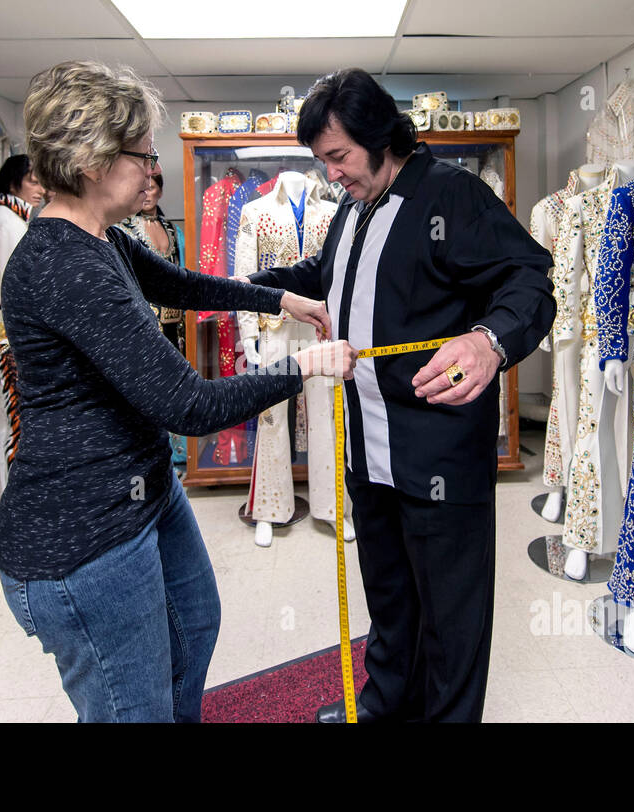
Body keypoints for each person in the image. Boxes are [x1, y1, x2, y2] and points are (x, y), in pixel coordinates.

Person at [0, 60, 356, 723]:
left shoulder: (99, 238)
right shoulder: (65, 265)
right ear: (94, 160)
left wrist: (281, 297)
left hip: (141, 493)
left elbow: (181, 286)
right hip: (83, 535)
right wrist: (308, 367)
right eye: (142, 155)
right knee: (134, 707)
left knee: (193, 626)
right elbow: (190, 407)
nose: (151, 170)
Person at [247, 68, 556, 722]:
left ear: (381, 135)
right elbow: (322, 276)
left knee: (451, 617)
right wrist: (245, 287)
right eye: (321, 162)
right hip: (368, 447)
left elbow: (530, 278)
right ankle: (386, 706)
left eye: (339, 157)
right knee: (388, 599)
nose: (331, 173)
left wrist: (489, 341)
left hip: (438, 454)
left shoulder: (453, 197)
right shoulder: (354, 207)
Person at [0, 153, 46, 499]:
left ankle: (5, 498)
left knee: (6, 423)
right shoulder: (6, 222)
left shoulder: (7, 218)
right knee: (11, 424)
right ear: (13, 182)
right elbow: (15, 287)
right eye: (33, 181)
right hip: (5, 340)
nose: (41, 189)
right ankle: (8, 501)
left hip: (4, 336)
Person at [116, 169, 190, 464]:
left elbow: (184, 273)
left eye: (153, 187)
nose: (148, 194)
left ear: (160, 191)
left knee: (176, 380)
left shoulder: (173, 230)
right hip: (144, 319)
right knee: (147, 383)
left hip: (175, 321)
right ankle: (151, 451)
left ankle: (180, 453)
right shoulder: (123, 229)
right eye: (143, 188)